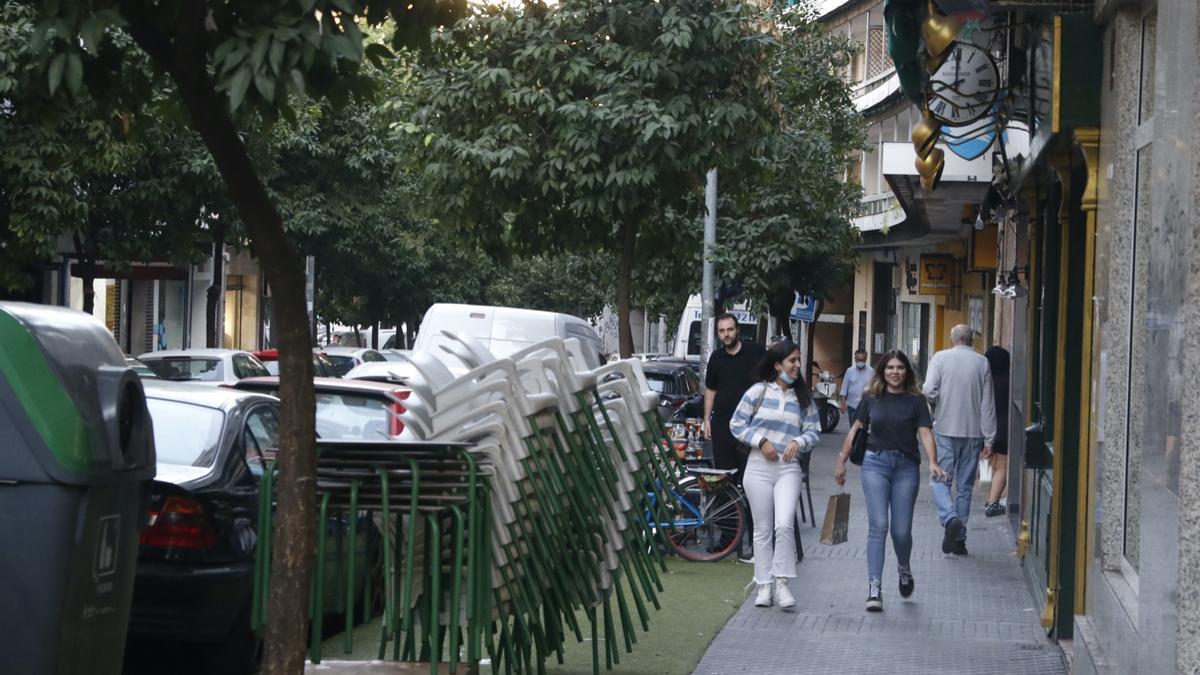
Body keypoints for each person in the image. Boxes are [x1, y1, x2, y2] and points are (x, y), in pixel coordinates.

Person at [835, 350, 945, 612]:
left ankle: (904, 567)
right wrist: (841, 459)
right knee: (879, 526)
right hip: (875, 464)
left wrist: (933, 461)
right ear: (882, 371)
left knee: (901, 531)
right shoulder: (872, 398)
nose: (895, 372)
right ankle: (874, 588)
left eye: (900, 368)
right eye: (890, 368)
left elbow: (925, 433)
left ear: (907, 371)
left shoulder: (916, 400)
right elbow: (855, 429)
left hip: (906, 467)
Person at [729, 339, 820, 611]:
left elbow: (814, 431)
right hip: (758, 466)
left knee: (784, 525)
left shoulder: (804, 399)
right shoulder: (758, 391)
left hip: (788, 469)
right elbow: (736, 423)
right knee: (762, 529)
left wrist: (799, 443)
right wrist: (761, 441)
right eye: (792, 361)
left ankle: (782, 584)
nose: (796, 366)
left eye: (798, 360)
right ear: (777, 364)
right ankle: (763, 585)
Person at [922, 324, 996, 555]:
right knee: (965, 487)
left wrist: (936, 404)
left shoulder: (940, 358)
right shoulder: (982, 362)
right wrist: (989, 439)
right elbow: (987, 404)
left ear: (953, 339)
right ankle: (959, 539)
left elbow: (928, 389)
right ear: (972, 340)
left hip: (945, 428)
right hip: (974, 433)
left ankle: (949, 518)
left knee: (939, 480)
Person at [703, 313, 765, 560]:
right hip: (721, 428)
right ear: (718, 334)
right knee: (725, 485)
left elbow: (770, 381)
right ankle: (728, 541)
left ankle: (753, 543)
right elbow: (710, 390)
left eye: (730, 329)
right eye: (722, 331)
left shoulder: (756, 353)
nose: (726, 334)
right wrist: (706, 418)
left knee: (750, 485)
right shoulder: (716, 358)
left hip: (751, 430)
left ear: (738, 330)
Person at [983, 346, 1010, 517]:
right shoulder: (1009, 381)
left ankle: (989, 499)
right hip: (1004, 429)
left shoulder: (985, 381)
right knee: (1003, 468)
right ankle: (992, 503)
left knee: (993, 466)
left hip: (987, 429)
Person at [839, 349, 874, 425]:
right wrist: (842, 403)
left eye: (862, 360)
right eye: (858, 360)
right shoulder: (850, 371)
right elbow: (844, 388)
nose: (860, 362)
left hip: (866, 405)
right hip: (852, 405)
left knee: (865, 428)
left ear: (866, 359)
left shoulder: (871, 371)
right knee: (853, 427)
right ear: (855, 359)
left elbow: (874, 388)